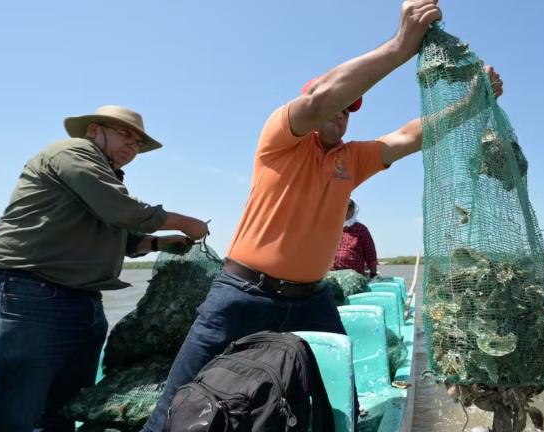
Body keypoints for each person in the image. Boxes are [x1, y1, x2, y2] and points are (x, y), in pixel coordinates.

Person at [143, 1, 503, 429]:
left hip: (312, 300)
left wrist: (469, 103)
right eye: (340, 101)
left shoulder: (352, 160)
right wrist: (401, 46)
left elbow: (407, 137)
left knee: (337, 405)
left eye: (350, 109)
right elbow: (318, 100)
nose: (343, 112)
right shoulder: (281, 137)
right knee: (174, 404)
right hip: (242, 295)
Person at [0, 105, 209, 431]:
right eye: (125, 135)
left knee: (63, 413)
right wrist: (184, 222)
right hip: (23, 296)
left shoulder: (104, 177)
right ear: (94, 130)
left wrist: (160, 242)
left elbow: (120, 237)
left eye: (137, 143)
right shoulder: (73, 151)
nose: (131, 146)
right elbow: (120, 210)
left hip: (79, 302)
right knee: (10, 419)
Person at [332, 199, 379, 278]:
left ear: (353, 210)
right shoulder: (331, 228)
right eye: (344, 207)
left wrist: (373, 275)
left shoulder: (361, 229)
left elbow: (371, 255)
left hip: (354, 277)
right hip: (332, 275)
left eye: (349, 208)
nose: (346, 211)